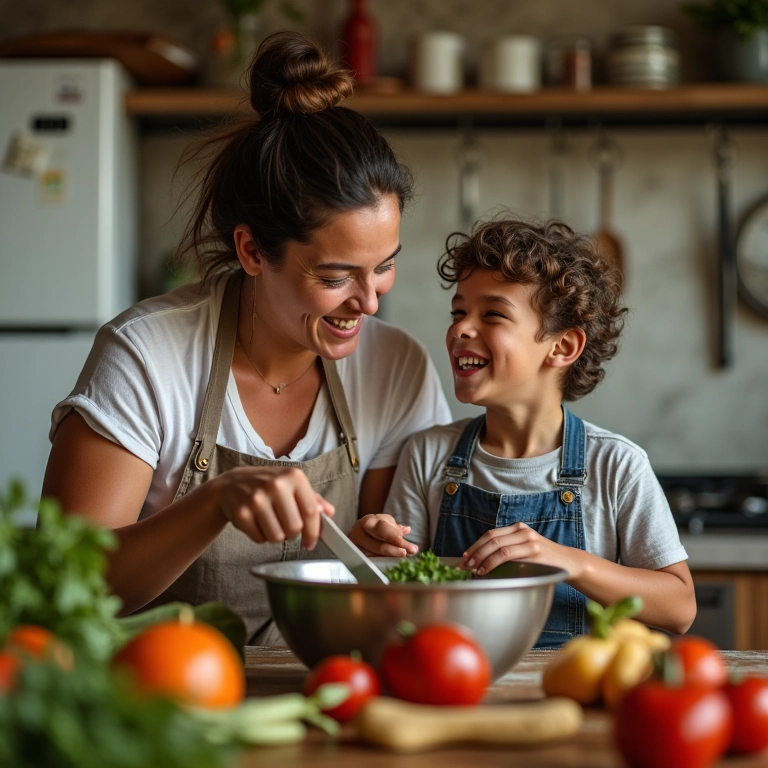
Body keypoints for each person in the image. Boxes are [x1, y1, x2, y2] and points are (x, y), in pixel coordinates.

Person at [41, 31, 450, 644]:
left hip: (330, 689)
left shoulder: (396, 369)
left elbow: (389, 572)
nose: (370, 301)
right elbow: (69, 585)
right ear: (253, 250)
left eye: (384, 265)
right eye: (336, 277)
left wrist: (369, 551)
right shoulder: (148, 357)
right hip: (164, 694)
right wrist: (214, 503)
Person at [370, 219, 696, 647]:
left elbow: (679, 607)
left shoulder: (616, 465)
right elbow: (394, 595)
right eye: (458, 311)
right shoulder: (428, 455)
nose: (461, 329)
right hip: (452, 691)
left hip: (568, 696)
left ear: (562, 347)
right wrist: (375, 553)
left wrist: (570, 562)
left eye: (493, 314)